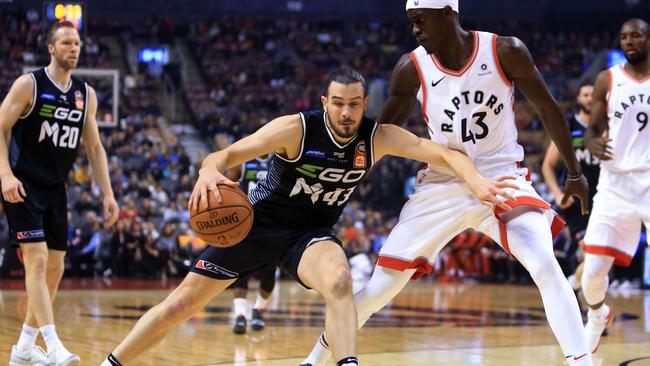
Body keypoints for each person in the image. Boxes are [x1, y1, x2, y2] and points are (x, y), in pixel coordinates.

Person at [100, 68, 515, 366]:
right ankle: (113, 363)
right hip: (256, 225)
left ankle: (347, 363)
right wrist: (209, 169)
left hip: (310, 234)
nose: (346, 112)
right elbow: (225, 154)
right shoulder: (295, 129)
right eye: (338, 103)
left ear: (365, 104)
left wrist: (477, 182)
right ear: (325, 103)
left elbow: (441, 153)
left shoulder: (376, 137)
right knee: (180, 305)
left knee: (339, 280)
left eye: (354, 104)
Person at [300, 1, 594, 365]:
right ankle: (313, 361)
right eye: (411, 22)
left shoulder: (505, 51)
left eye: (420, 20)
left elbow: (548, 108)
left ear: (446, 13)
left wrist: (575, 173)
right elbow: (381, 133)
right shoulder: (411, 67)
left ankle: (582, 361)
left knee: (545, 263)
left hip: (500, 176)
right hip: (441, 182)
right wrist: (348, 178)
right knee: (379, 290)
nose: (415, 30)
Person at [0, 21, 119, 366]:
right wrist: (5, 174)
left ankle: (24, 347)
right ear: (51, 48)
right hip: (21, 185)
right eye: (66, 43)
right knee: (36, 261)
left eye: (77, 43)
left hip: (56, 188)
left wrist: (108, 194)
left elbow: (95, 149)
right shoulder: (29, 84)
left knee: (55, 268)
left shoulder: (86, 95)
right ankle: (53, 345)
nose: (74, 48)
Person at [581, 18, 650, 353]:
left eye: (635, 35)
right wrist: (592, 142)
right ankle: (597, 315)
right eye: (623, 37)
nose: (628, 41)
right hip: (615, 184)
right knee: (591, 273)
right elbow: (592, 129)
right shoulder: (607, 79)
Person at [541, 84, 599, 284]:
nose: (590, 98)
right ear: (578, 98)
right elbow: (547, 165)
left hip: (603, 198)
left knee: (598, 257)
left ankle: (573, 284)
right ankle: (577, 290)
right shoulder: (569, 126)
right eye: (585, 94)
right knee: (592, 254)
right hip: (576, 202)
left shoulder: (608, 126)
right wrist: (557, 194)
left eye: (593, 94)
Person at [226, 153, 278, 334]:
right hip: (246, 221)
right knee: (241, 271)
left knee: (270, 272)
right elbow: (227, 186)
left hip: (273, 221)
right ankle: (240, 315)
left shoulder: (280, 158)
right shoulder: (244, 160)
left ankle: (258, 309)